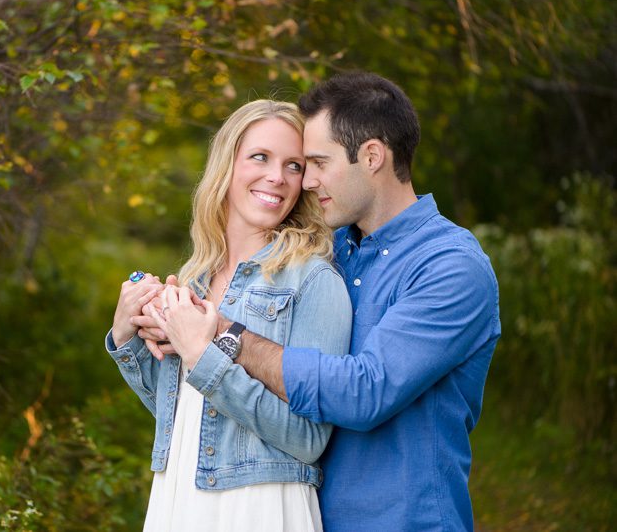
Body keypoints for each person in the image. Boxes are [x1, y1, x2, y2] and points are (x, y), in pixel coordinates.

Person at [138, 72, 501, 531]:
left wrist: (223, 334)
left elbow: (366, 391)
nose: (306, 181)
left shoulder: (450, 266)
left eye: (317, 163)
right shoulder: (335, 252)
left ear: (372, 156)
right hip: (305, 516)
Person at [106, 99, 352, 532]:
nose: (276, 177)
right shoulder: (195, 279)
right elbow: (184, 417)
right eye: (260, 157)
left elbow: (308, 439)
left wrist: (204, 356)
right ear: (227, 163)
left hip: (260, 507)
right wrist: (127, 337)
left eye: (293, 166)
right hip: (179, 498)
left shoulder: (313, 280)